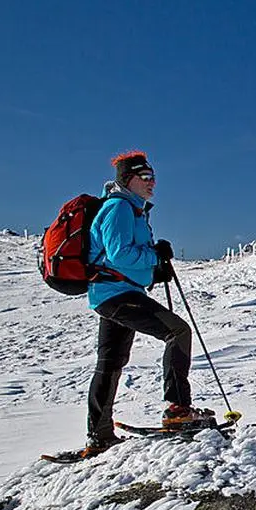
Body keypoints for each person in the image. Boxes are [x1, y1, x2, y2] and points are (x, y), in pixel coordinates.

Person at [80, 151, 206, 457]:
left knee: (110, 362)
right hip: (118, 294)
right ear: (128, 180)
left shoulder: (131, 209)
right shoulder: (120, 207)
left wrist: (154, 269)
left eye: (153, 177)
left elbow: (119, 256)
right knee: (177, 331)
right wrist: (154, 257)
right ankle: (178, 409)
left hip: (112, 293)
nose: (152, 183)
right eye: (145, 177)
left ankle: (99, 435)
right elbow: (119, 253)